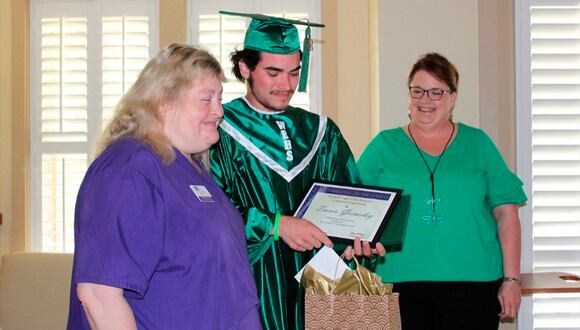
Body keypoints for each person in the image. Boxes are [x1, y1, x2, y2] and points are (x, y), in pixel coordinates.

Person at [210, 11, 385, 330]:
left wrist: (360, 241)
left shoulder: (320, 131)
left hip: (319, 284)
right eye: (273, 72)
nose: (286, 85)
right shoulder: (218, 129)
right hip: (251, 281)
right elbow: (209, 212)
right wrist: (275, 226)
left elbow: (346, 205)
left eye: (294, 73)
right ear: (245, 68)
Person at [67, 43, 261, 329]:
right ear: (163, 103)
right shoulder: (129, 167)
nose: (219, 111)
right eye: (206, 99)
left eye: (219, 98)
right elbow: (98, 294)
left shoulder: (189, 168)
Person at [357, 52, 527, 330]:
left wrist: (511, 280)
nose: (425, 99)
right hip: (396, 283)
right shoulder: (383, 145)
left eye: (436, 92)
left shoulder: (478, 143)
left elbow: (507, 215)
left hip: (475, 285)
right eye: (418, 90)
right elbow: (355, 207)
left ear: (452, 97)